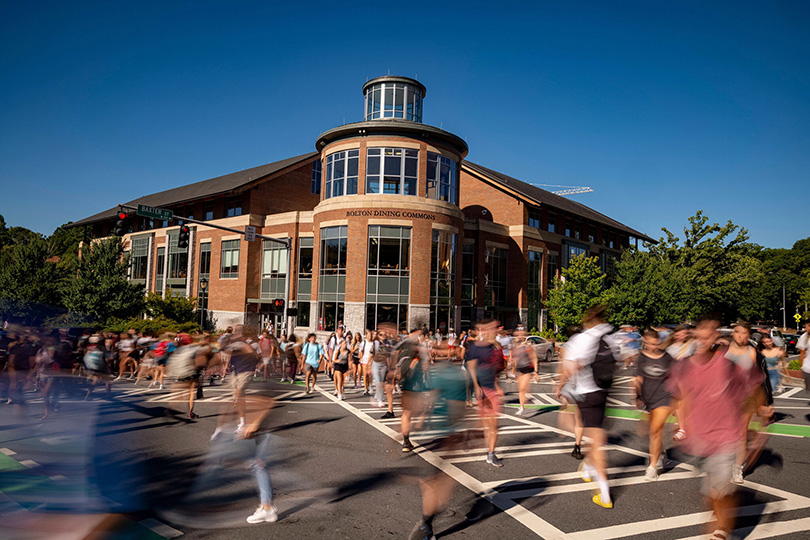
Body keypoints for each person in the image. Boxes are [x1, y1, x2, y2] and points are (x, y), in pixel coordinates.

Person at [667, 315, 763, 540]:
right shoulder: (685, 367)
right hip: (700, 438)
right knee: (711, 494)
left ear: (715, 337)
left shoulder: (726, 365)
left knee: (718, 491)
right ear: (696, 334)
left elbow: (753, 385)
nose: (705, 336)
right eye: (702, 331)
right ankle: (721, 517)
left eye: (711, 332)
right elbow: (678, 397)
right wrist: (673, 423)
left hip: (726, 435)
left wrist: (761, 416)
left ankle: (721, 532)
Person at [566, 305, 617, 508]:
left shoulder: (582, 339)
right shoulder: (611, 336)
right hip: (604, 392)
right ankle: (587, 466)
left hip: (586, 392)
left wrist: (562, 387)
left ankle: (604, 492)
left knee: (594, 440)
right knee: (594, 436)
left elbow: (570, 367)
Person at [633, 329, 675, 481]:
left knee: (656, 429)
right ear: (644, 343)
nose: (653, 346)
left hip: (663, 398)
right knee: (650, 432)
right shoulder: (642, 358)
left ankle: (651, 468)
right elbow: (637, 379)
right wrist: (637, 396)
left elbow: (676, 377)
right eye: (649, 344)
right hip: (647, 399)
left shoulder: (667, 358)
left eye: (655, 343)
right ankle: (659, 452)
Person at [466, 319, 506, 467]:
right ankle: (486, 448)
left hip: (492, 389)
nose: (493, 331)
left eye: (495, 328)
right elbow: (471, 366)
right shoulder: (475, 347)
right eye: (490, 328)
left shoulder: (497, 347)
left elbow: (499, 368)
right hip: (481, 388)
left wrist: (497, 384)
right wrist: (476, 386)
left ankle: (491, 453)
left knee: (493, 424)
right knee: (485, 424)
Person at [555, 325, 585, 460]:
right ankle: (577, 446)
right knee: (580, 418)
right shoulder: (588, 346)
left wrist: (559, 385)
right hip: (586, 385)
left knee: (565, 406)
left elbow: (565, 369)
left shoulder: (567, 347)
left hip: (573, 384)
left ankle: (566, 426)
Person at [226, 325, 260, 433]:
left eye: (238, 330)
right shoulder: (233, 341)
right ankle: (242, 421)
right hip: (236, 370)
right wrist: (226, 365)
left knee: (239, 394)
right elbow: (229, 353)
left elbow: (255, 354)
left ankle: (243, 423)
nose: (236, 331)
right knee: (239, 398)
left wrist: (257, 366)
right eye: (236, 330)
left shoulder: (251, 343)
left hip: (246, 370)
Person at [398, 329, 428, 452]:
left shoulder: (403, 349)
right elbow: (425, 367)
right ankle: (406, 441)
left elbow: (398, 366)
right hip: (415, 384)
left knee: (406, 412)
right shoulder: (418, 349)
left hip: (405, 383)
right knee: (415, 410)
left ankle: (406, 441)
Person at [664, 324, 695, 443]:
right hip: (677, 380)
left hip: (690, 379)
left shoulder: (691, 345)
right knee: (680, 404)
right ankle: (682, 429)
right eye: (680, 333)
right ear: (675, 334)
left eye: (685, 333)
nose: (682, 335)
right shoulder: (669, 349)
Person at [512, 329, 538, 416]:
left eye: (522, 335)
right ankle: (522, 405)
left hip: (527, 369)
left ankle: (522, 408)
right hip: (520, 370)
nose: (520, 337)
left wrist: (535, 372)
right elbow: (514, 359)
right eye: (518, 335)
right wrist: (513, 370)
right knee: (520, 390)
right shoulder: (516, 347)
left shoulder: (528, 347)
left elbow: (534, 358)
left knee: (523, 389)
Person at [333, 333, 351, 400]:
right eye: (344, 343)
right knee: (339, 381)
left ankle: (341, 390)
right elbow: (334, 360)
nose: (345, 345)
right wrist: (337, 361)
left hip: (345, 366)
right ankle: (339, 394)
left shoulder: (348, 352)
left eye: (346, 343)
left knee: (343, 382)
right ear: (341, 344)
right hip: (338, 366)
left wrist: (349, 369)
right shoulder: (338, 351)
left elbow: (349, 361)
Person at [797, 321, 810, 396]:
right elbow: (802, 354)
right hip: (808, 368)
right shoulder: (804, 337)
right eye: (807, 326)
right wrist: (802, 366)